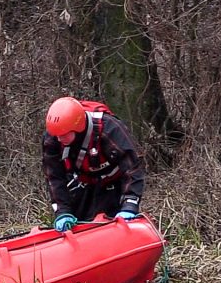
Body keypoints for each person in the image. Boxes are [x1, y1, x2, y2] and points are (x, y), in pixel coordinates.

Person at [42, 96, 145, 232]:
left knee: (110, 226)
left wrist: (130, 204)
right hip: (83, 183)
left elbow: (133, 167)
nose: (59, 139)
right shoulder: (53, 139)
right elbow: (54, 177)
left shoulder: (109, 129)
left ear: (77, 127)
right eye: (57, 135)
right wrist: (62, 212)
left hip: (114, 184)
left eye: (64, 135)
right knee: (81, 225)